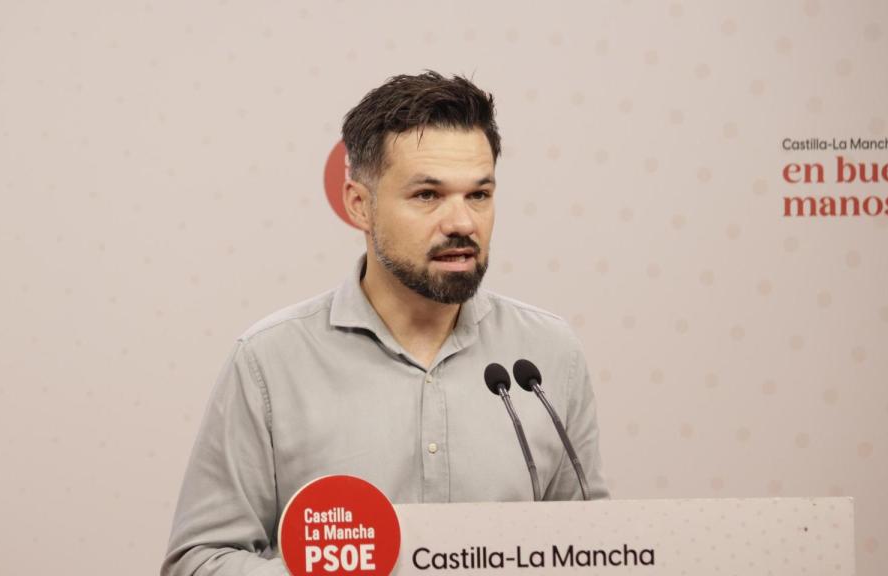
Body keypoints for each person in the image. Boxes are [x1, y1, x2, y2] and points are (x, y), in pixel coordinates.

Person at [161, 71, 608, 576]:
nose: (462, 223)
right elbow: (198, 561)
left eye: (479, 195)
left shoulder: (546, 355)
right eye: (427, 195)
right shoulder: (270, 361)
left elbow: (595, 548)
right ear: (360, 205)